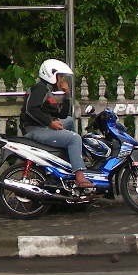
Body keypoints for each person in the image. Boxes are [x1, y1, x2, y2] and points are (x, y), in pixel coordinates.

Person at [20, 58, 93, 189]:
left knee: (69, 121)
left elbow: (63, 115)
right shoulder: (39, 89)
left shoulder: (47, 91)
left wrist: (67, 94)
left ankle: (70, 160)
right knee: (74, 138)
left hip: (43, 127)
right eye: (60, 77)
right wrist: (50, 123)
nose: (62, 80)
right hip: (35, 129)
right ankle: (80, 175)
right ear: (51, 75)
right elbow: (30, 110)